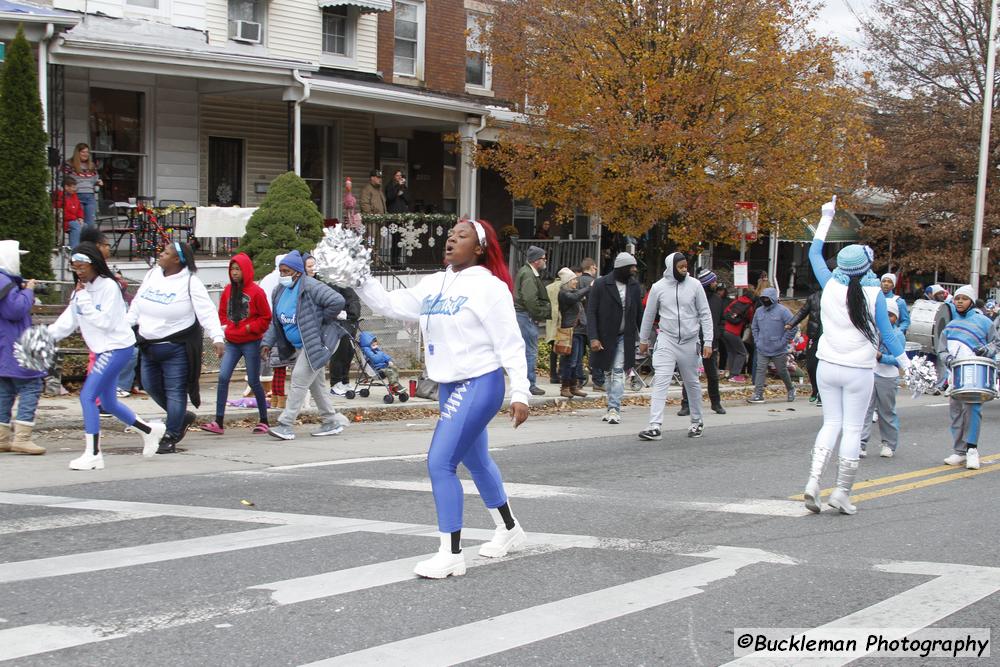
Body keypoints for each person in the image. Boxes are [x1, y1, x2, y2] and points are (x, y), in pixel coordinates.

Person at [356, 218, 530, 579]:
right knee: (477, 461)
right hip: (450, 385)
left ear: (479, 248)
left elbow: (510, 342)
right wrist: (358, 275)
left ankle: (450, 554)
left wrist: (521, 391)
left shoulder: (490, 288)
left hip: (480, 382)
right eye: (450, 236)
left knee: (440, 462)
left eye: (461, 236)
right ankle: (511, 530)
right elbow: (389, 304)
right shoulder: (434, 283)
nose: (451, 241)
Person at [803, 197, 910, 515]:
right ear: (866, 268)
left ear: (841, 267)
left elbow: (813, 252)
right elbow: (888, 336)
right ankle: (841, 492)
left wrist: (826, 216)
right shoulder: (875, 293)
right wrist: (905, 362)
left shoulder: (829, 285)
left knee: (830, 423)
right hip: (858, 369)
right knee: (851, 428)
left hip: (827, 365)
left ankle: (812, 483)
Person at [49, 243, 166, 469]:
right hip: (103, 349)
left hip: (116, 348)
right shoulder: (81, 291)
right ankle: (150, 430)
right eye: (75, 267)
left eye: (82, 266)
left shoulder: (109, 287)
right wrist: (45, 335)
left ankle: (93, 455)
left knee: (87, 397)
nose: (79, 271)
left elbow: (105, 323)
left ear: (94, 264)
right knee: (110, 403)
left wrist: (84, 302)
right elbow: (68, 321)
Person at [127, 242, 225, 453]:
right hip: (148, 344)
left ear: (177, 260)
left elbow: (207, 312)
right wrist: (126, 324)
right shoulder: (152, 274)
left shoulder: (190, 282)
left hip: (176, 348)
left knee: (175, 392)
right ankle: (181, 417)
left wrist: (217, 337)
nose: (160, 255)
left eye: (165, 253)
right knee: (150, 386)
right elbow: (137, 303)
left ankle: (171, 434)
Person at [261, 250, 347, 441]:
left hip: (319, 342)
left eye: (285, 271)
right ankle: (331, 421)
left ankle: (286, 424)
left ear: (297, 272)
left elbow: (337, 301)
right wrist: (267, 342)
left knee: (299, 380)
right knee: (316, 386)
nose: (282, 275)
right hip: (303, 344)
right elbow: (277, 322)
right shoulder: (279, 291)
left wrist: (321, 320)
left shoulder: (311, 286)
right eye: (280, 271)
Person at [637, 253, 713, 441]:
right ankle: (654, 426)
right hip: (667, 339)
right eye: (680, 267)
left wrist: (708, 341)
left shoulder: (695, 285)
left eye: (686, 266)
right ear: (671, 267)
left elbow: (705, 313)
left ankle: (697, 422)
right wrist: (644, 340)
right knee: (660, 380)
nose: (685, 269)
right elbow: (649, 315)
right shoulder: (658, 288)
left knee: (692, 382)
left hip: (690, 341)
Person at [200, 253, 272, 436]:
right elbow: (222, 313)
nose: (234, 272)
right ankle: (218, 421)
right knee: (223, 377)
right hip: (232, 342)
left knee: (254, 380)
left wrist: (249, 328)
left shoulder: (257, 292)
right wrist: (225, 328)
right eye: (232, 269)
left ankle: (264, 420)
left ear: (246, 270)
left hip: (251, 342)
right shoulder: (227, 290)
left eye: (238, 269)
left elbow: (265, 317)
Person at [938, 285, 996, 471]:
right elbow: (941, 349)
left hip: (976, 375)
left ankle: (972, 450)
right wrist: (947, 358)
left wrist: (987, 350)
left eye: (964, 298)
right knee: (956, 412)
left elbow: (997, 343)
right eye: (957, 299)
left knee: (972, 411)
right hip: (955, 375)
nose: (960, 302)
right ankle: (959, 451)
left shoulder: (985, 322)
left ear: (971, 301)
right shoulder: (950, 325)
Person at [0, 241, 46, 455]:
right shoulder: (5, 281)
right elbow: (15, 311)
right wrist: (28, 292)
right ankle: (22, 437)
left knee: (5, 389)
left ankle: (2, 438)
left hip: (4, 345)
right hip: (16, 344)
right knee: (31, 384)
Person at [586, 252, 643, 425]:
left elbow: (639, 312)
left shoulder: (634, 286)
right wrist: (594, 337)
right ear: (621, 268)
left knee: (618, 371)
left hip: (625, 336)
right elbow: (592, 312)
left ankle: (614, 408)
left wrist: (645, 337)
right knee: (608, 372)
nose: (634, 270)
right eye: (631, 267)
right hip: (605, 336)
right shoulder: (602, 284)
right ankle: (610, 407)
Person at [80, 226, 137, 397]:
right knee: (97, 363)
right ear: (96, 247)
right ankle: (99, 398)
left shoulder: (103, 272)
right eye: (105, 245)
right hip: (104, 332)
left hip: (113, 331)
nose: (108, 248)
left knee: (105, 368)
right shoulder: (93, 273)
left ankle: (105, 397)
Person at [303, 255, 361, 397]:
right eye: (309, 266)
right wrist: (337, 313)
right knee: (339, 352)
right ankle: (335, 383)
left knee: (348, 352)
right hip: (336, 321)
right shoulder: (323, 280)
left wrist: (352, 314)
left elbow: (351, 298)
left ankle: (344, 381)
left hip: (350, 320)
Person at [860, 298, 905, 459]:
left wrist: (881, 357)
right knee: (865, 410)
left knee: (886, 411)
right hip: (869, 373)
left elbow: (900, 359)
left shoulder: (897, 335)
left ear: (896, 318)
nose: (887, 318)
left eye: (891, 315)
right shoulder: (871, 331)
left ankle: (889, 444)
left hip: (888, 377)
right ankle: (860, 443)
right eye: (884, 315)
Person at [679, 269, 726, 417]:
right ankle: (686, 404)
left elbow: (721, 320)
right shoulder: (694, 298)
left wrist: (718, 333)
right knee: (690, 374)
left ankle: (716, 403)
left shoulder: (717, 300)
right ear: (707, 283)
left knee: (712, 375)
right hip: (694, 341)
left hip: (711, 343)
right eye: (713, 281)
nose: (715, 284)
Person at [747, 287, 796, 403]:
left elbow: (793, 327)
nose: (765, 300)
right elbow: (754, 327)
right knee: (760, 370)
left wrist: (783, 341)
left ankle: (790, 389)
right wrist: (757, 340)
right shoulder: (759, 311)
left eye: (767, 298)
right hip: (762, 347)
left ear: (773, 298)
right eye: (763, 298)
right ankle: (758, 394)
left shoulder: (783, 311)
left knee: (782, 371)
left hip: (778, 348)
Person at [513, 245, 551, 396]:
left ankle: (526, 383)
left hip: (523, 315)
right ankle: (530, 384)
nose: (545, 260)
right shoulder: (529, 275)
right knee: (530, 351)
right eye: (543, 258)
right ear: (536, 261)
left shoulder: (526, 272)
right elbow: (530, 299)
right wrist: (539, 313)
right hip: (526, 316)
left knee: (526, 351)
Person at [786, 283, 823, 404]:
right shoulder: (813, 297)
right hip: (814, 335)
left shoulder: (838, 297)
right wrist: (791, 323)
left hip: (830, 338)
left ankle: (822, 395)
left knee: (824, 367)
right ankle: (815, 389)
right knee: (811, 366)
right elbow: (802, 312)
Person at [258, 254, 287, 406]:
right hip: (279, 326)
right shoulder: (281, 283)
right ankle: (279, 398)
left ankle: (275, 396)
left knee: (276, 368)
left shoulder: (267, 279)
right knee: (280, 368)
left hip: (269, 324)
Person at [556, 267, 590, 398]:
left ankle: (573, 386)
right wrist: (589, 287)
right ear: (567, 281)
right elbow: (575, 297)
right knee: (570, 361)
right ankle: (565, 387)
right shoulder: (564, 294)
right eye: (574, 279)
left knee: (578, 361)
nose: (576, 281)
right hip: (571, 331)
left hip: (579, 331)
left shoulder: (573, 292)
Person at [63, 143, 103, 228]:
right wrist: (69, 188)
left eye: (87, 152)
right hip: (76, 195)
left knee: (90, 223)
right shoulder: (69, 164)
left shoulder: (91, 165)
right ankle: (79, 240)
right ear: (78, 152)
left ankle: (88, 241)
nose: (86, 154)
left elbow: (95, 178)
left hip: (90, 196)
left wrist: (98, 182)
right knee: (79, 222)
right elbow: (62, 178)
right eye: (83, 152)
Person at [721, 288, 754, 383]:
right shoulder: (749, 306)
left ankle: (729, 373)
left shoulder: (736, 301)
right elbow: (751, 319)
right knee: (742, 353)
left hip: (725, 330)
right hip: (734, 332)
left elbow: (726, 312)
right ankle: (735, 374)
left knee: (731, 352)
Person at [544, 273, 562, 385]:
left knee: (553, 350)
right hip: (562, 319)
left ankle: (553, 375)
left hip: (550, 319)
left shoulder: (548, 287)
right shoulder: (564, 286)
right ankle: (561, 372)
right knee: (564, 349)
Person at [56, 177, 85, 249]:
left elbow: (79, 208)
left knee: (86, 226)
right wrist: (75, 219)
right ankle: (74, 250)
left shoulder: (74, 196)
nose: (75, 189)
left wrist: (80, 217)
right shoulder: (60, 196)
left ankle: (81, 247)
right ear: (66, 187)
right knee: (76, 226)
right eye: (73, 187)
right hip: (64, 221)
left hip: (74, 220)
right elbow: (62, 212)